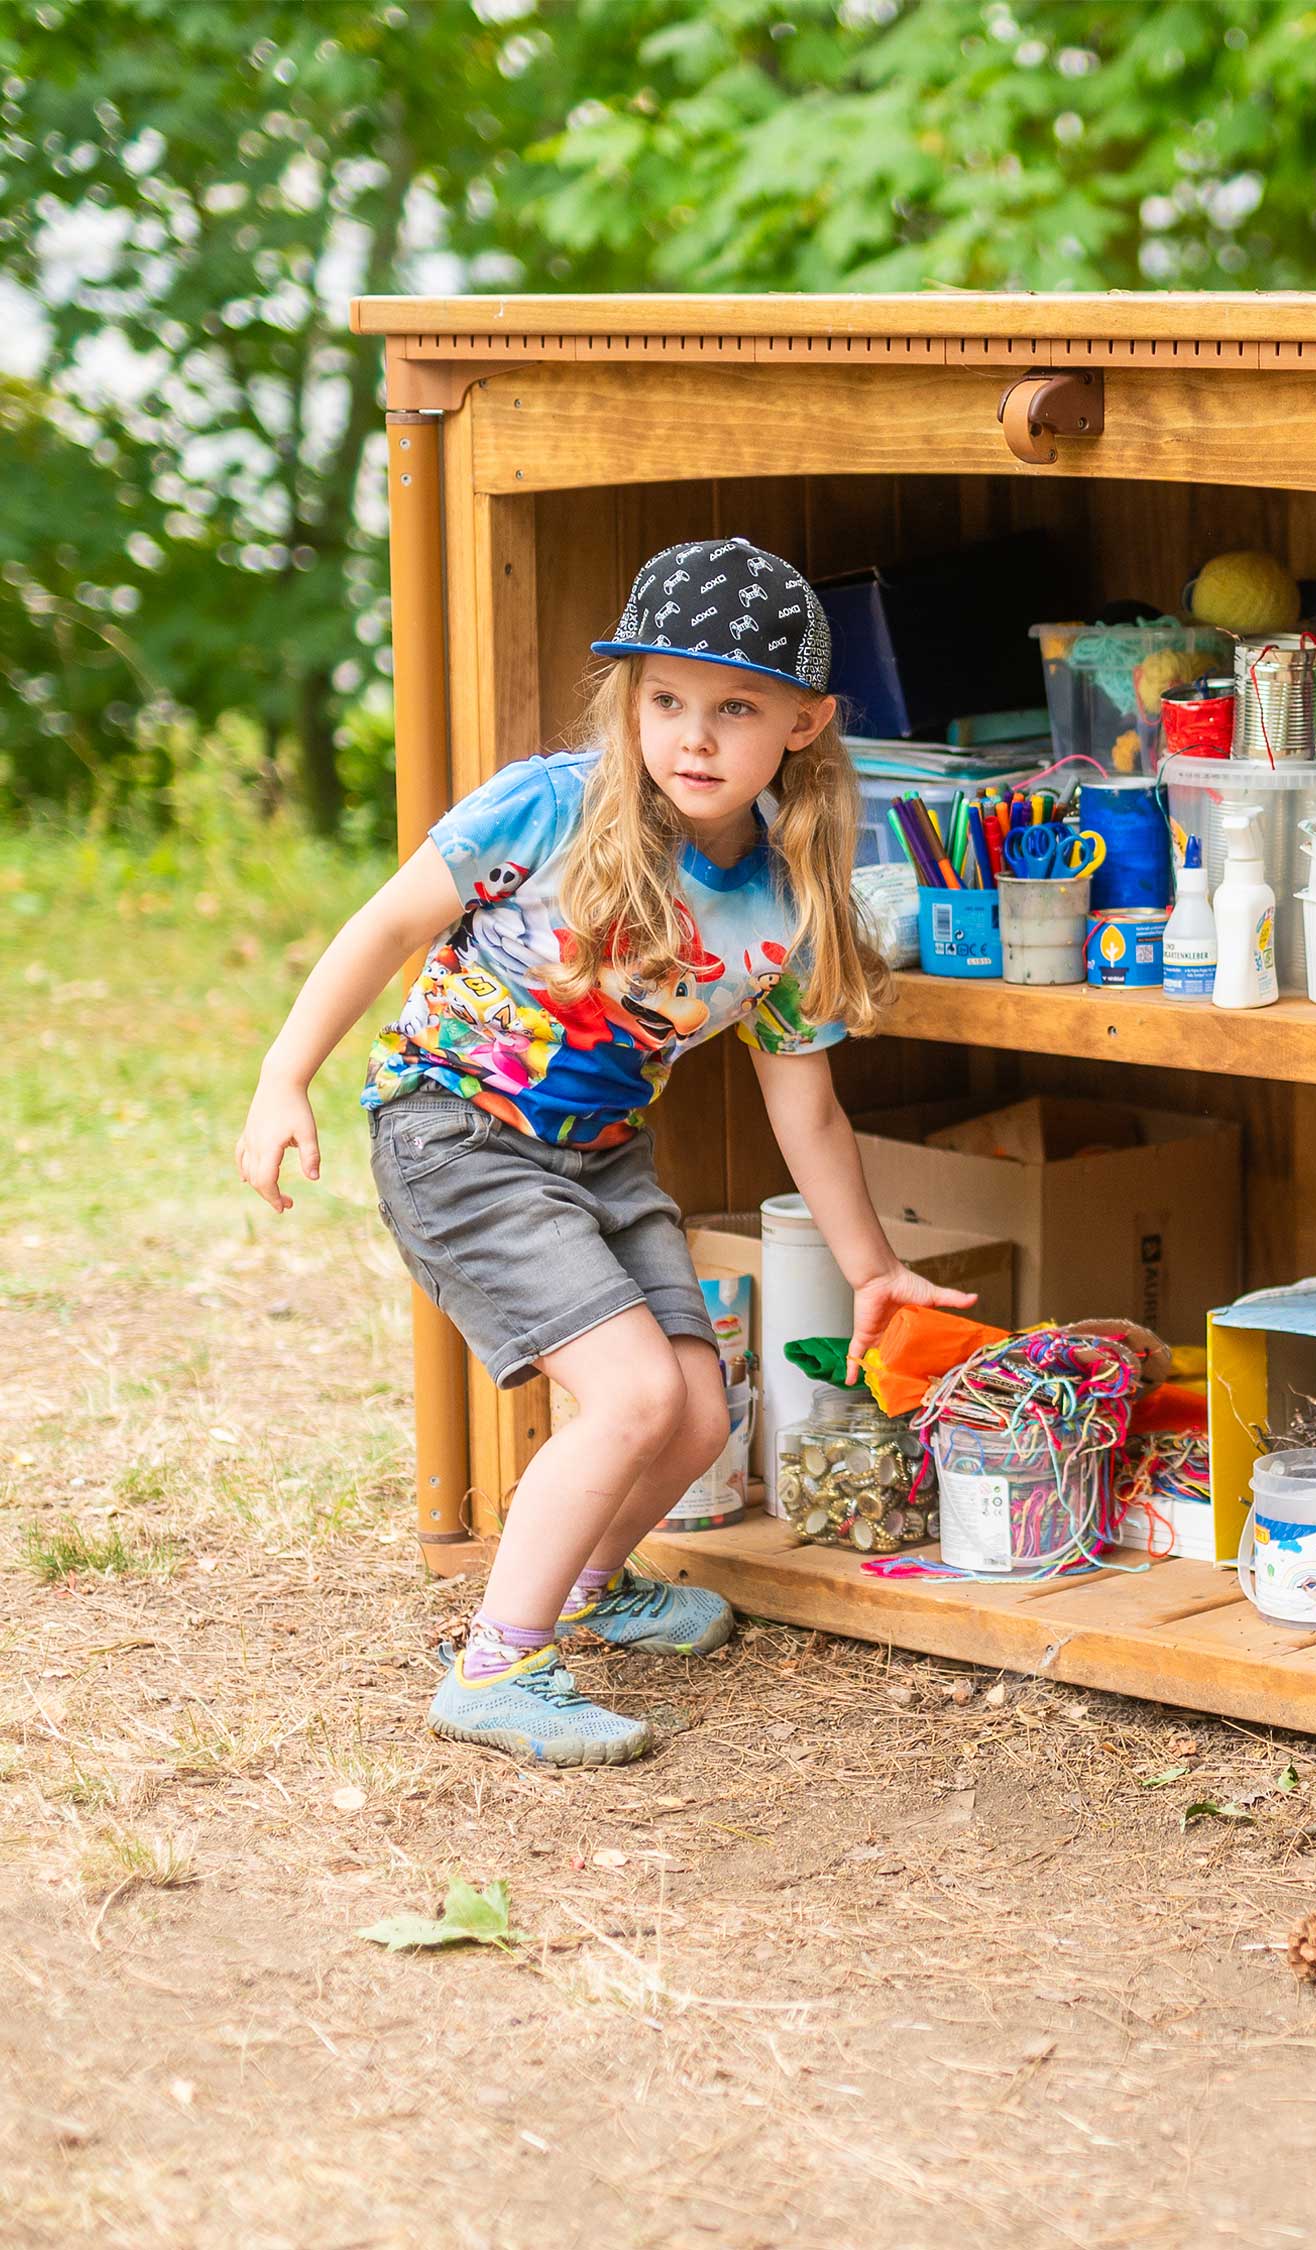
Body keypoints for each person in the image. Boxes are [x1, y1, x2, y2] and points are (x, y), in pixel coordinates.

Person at [236, 538, 973, 1766]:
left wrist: (874, 1271)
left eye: (735, 707)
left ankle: (586, 1586)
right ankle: (497, 1662)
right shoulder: (549, 805)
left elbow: (810, 1112)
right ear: (629, 702)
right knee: (630, 1396)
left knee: (692, 1415)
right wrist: (283, 1076)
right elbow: (384, 927)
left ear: (805, 721)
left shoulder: (788, 899)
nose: (693, 735)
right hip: (458, 1131)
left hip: (599, 1160)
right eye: (666, 699)